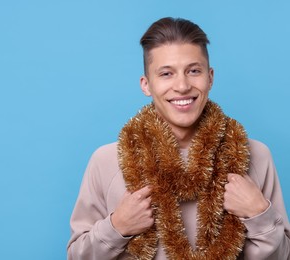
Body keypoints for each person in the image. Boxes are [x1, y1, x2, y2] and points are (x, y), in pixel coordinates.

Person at [67, 17, 290, 259]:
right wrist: (117, 227)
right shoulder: (106, 161)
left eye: (194, 71)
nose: (182, 86)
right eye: (166, 74)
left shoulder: (255, 156)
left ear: (210, 77)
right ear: (146, 85)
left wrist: (259, 213)